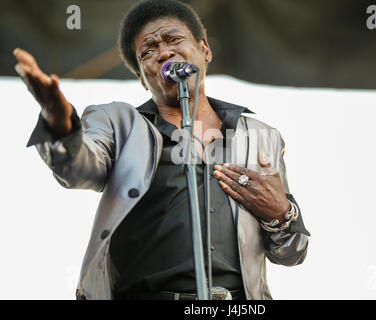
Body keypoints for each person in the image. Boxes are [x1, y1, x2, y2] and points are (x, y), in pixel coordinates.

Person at [13, 0, 310, 300]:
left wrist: (281, 213)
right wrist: (58, 120)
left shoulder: (260, 137)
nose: (164, 52)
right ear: (142, 77)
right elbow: (78, 168)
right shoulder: (118, 122)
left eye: (173, 39)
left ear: (204, 49)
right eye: (148, 51)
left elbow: (291, 252)